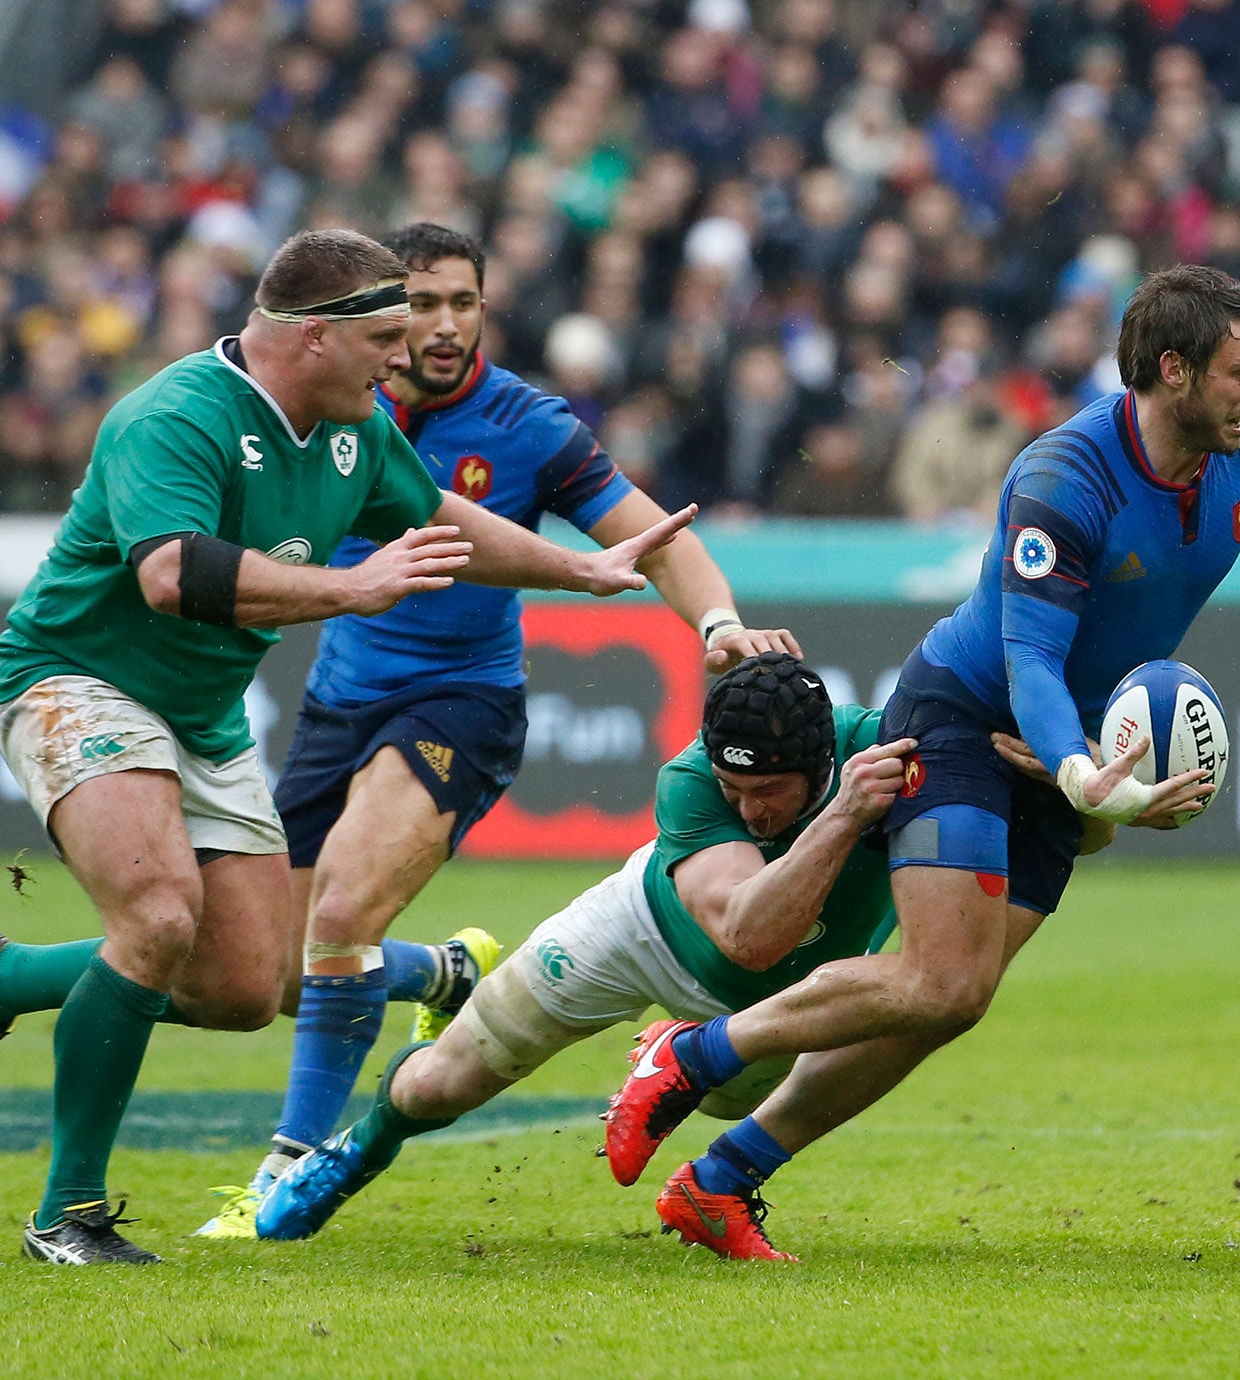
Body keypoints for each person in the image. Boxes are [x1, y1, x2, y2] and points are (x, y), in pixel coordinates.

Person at [600, 263, 1240, 1259]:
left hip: (1067, 743)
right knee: (937, 979)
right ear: (1172, 371)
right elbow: (1029, 662)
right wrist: (1091, 781)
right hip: (965, 715)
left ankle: (721, 1179)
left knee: (947, 1004)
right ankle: (692, 1053)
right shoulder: (1063, 478)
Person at [0, 229, 692, 1265]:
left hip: (204, 711)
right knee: (154, 917)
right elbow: (169, 574)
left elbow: (437, 517)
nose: (398, 358)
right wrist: (349, 588)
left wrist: (571, 570)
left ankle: (11, 978)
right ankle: (69, 1215)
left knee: (240, 986)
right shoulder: (174, 415)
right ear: (312, 337)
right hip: (77, 679)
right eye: (381, 336)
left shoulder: (354, 427)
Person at [190, 223, 799, 1239]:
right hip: (338, 702)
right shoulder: (339, 403)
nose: (441, 326)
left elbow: (649, 539)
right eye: (420, 304)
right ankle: (441, 972)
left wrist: (718, 621)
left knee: (341, 909)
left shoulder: (527, 425)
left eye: (462, 304)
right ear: (378, 316)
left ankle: (285, 1169)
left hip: (460, 704)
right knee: (281, 977)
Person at [252, 654, 912, 1256]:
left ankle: (679, 1052)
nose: (748, 807)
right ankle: (360, 1147)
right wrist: (841, 818)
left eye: (767, 790)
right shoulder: (689, 781)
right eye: (731, 785)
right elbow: (750, 939)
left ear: (820, 760)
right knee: (436, 1086)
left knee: (725, 1107)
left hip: (755, 1006)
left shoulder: (882, 747)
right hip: (637, 930)